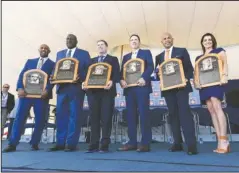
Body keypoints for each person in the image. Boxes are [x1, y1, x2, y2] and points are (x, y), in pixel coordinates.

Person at [3, 44, 55, 152]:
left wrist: (48, 90)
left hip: (41, 97)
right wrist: (20, 88)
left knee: (40, 120)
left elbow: (52, 79)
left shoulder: (52, 64)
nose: (43, 49)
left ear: (49, 51)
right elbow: (22, 75)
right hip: (26, 95)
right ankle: (12, 144)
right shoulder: (30, 61)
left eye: (46, 48)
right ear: (39, 50)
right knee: (19, 118)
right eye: (42, 48)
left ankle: (34, 143)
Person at [155, 32, 198, 155]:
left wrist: (185, 78)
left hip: (182, 88)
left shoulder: (182, 51)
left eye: (169, 38)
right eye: (164, 38)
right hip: (168, 90)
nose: (167, 40)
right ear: (161, 42)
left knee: (185, 115)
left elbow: (190, 69)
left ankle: (191, 145)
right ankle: (177, 143)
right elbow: (158, 74)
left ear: (172, 39)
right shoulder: (158, 57)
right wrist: (157, 75)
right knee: (173, 116)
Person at [48, 34, 91, 152]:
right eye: (67, 39)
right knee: (61, 116)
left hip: (76, 89)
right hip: (62, 89)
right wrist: (52, 77)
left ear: (76, 41)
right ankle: (60, 143)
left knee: (75, 116)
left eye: (71, 39)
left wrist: (80, 77)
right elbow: (56, 68)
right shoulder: (60, 54)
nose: (69, 40)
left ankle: (71, 143)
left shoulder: (84, 53)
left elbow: (88, 70)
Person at [118, 34, 153, 152]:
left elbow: (150, 67)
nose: (134, 41)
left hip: (142, 87)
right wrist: (121, 79)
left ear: (139, 42)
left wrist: (144, 77)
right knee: (130, 116)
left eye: (136, 40)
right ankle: (132, 142)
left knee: (144, 115)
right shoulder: (126, 56)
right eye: (132, 40)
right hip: (129, 89)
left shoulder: (146, 53)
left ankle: (145, 143)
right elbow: (121, 71)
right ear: (129, 43)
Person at [82, 39, 120, 153]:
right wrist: (84, 82)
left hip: (107, 93)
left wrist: (112, 81)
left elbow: (117, 73)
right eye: (98, 45)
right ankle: (93, 145)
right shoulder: (91, 61)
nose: (100, 47)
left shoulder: (113, 59)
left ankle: (104, 145)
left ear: (106, 47)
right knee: (94, 119)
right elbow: (85, 75)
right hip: (93, 93)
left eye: (102, 45)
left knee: (106, 119)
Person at [194, 33, 229, 154]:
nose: (207, 41)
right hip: (204, 85)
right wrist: (197, 82)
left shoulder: (219, 51)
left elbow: (224, 64)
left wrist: (224, 76)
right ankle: (219, 140)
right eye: (205, 40)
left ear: (213, 41)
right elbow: (197, 72)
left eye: (209, 39)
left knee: (217, 106)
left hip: (216, 82)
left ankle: (224, 140)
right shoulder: (198, 58)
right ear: (202, 43)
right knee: (211, 110)